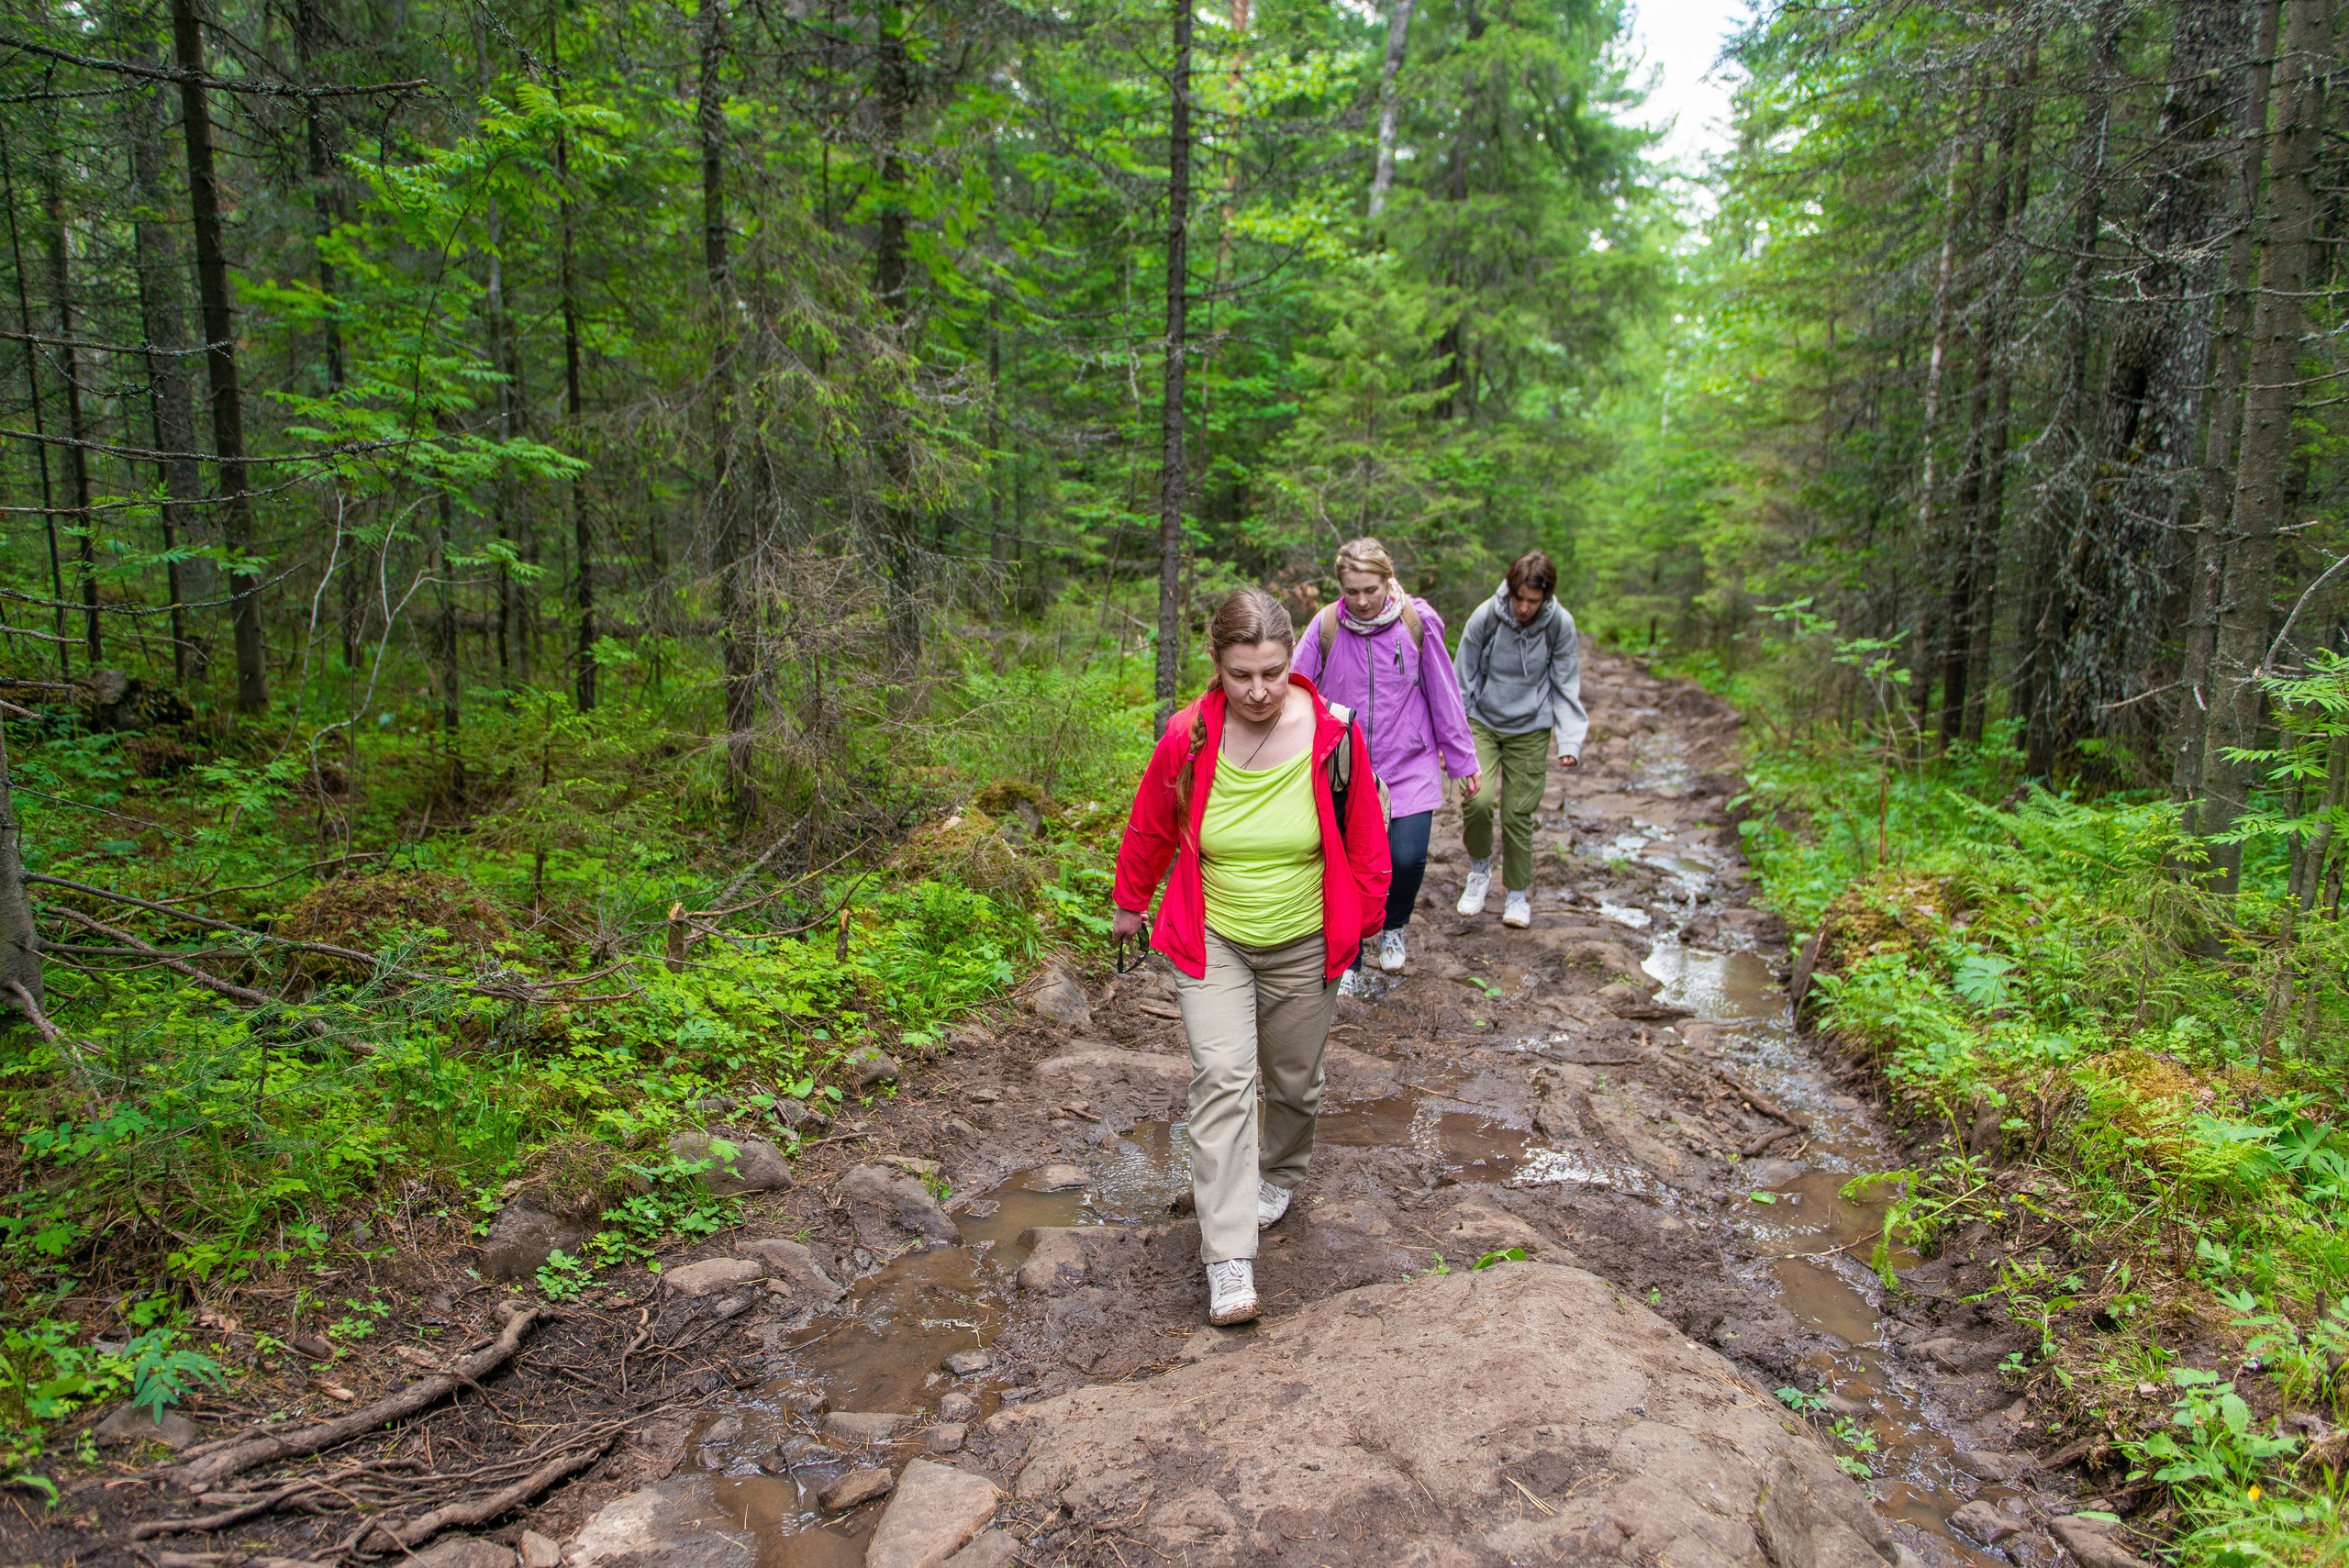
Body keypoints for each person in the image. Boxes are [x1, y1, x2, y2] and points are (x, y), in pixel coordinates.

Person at [1111, 589, 1391, 1326]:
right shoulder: (1189, 736)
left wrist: (1361, 928)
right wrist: (1130, 901)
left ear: (1291, 658)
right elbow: (1151, 825)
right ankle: (1229, 1255)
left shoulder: (1335, 734)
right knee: (1223, 1080)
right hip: (1213, 936)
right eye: (1242, 675)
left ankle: (1281, 1171)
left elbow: (1366, 841)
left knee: (1295, 1081)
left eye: (1271, 671)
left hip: (1306, 938)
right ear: (1217, 664)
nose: (1259, 690)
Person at [1292, 537, 1480, 988]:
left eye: (1370, 590)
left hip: (1410, 762)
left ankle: (1394, 925)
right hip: (1346, 769)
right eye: (1352, 591)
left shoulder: (1417, 622)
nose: (1361, 601)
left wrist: (1462, 759)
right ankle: (1351, 959)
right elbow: (1296, 688)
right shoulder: (1325, 626)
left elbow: (1443, 692)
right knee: (1348, 866)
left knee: (1407, 858)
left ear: (1388, 580)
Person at [1453, 550, 1586, 929]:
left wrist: (1570, 741)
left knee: (1517, 812)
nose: (1524, 608)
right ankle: (1479, 871)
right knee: (1477, 799)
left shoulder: (1559, 624)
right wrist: (1454, 738)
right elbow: (1462, 678)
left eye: (1533, 601)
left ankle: (1516, 895)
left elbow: (1565, 683)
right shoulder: (1486, 617)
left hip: (1531, 727)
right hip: (1483, 721)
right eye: (1519, 598)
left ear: (1546, 597)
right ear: (1510, 591)